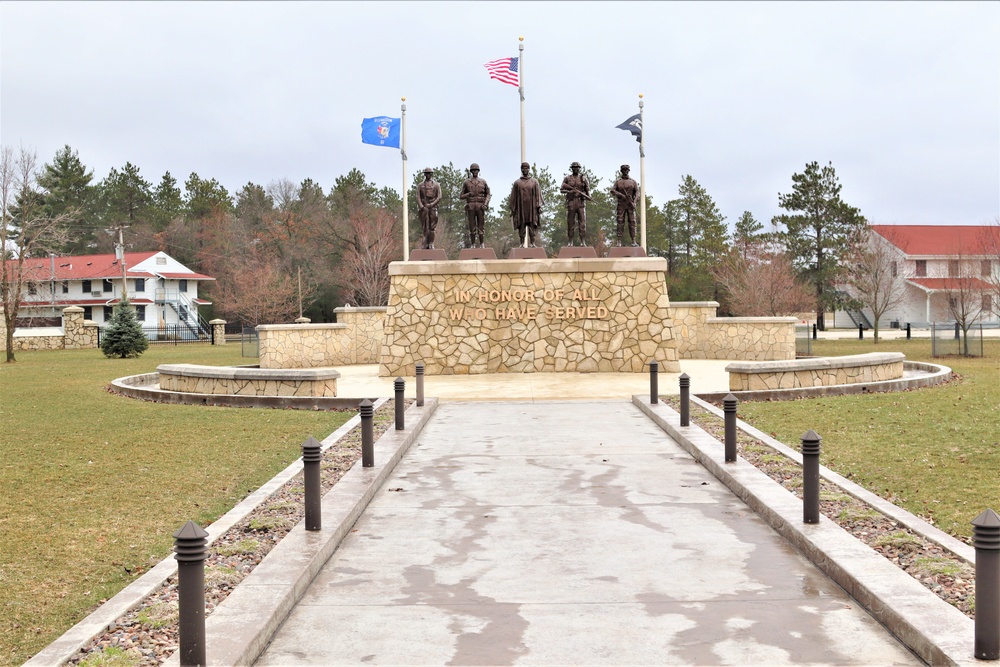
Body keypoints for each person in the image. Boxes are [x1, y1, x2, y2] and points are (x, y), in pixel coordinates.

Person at [508, 162, 544, 247]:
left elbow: (538, 195)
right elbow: (513, 196)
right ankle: (521, 243)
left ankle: (532, 243)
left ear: (529, 169)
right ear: (521, 169)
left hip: (532, 208)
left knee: (532, 225)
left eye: (527, 168)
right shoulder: (517, 183)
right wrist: (513, 209)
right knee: (522, 226)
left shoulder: (534, 182)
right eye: (523, 168)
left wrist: (539, 207)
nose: (525, 170)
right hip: (521, 208)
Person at [459, 163, 491, 248]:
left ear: (478, 171)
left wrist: (485, 204)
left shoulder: (483, 182)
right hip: (471, 206)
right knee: (472, 226)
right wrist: (468, 194)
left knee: (481, 226)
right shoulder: (467, 182)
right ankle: (473, 244)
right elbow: (461, 196)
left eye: (476, 170)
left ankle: (482, 244)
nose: (475, 172)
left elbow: (488, 194)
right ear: (471, 171)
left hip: (480, 206)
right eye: (473, 170)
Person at [559, 161, 590, 246]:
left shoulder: (583, 178)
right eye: (574, 167)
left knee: (582, 223)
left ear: (579, 168)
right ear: (572, 168)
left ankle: (583, 241)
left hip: (580, 202)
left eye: (577, 167)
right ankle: (570, 241)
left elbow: (587, 189)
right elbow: (561, 189)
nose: (576, 169)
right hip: (571, 202)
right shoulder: (567, 178)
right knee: (570, 223)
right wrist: (570, 191)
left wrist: (588, 196)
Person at [611, 164, 639, 246]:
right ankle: (619, 241)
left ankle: (633, 240)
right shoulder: (618, 182)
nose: (625, 171)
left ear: (628, 170)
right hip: (621, 204)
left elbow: (637, 192)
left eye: (626, 169)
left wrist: (634, 201)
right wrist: (621, 195)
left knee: (632, 222)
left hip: (630, 204)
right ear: (621, 171)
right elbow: (613, 191)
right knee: (620, 222)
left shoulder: (633, 182)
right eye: (624, 170)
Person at [417, 167, 442, 249]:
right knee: (425, 227)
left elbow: (439, 196)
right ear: (424, 174)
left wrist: (431, 204)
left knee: (432, 227)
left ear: (431, 174)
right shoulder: (420, 185)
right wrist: (422, 206)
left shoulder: (436, 185)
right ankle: (425, 243)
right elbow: (418, 197)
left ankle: (431, 243)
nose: (428, 175)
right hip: (424, 208)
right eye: (426, 173)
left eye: (429, 173)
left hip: (433, 207)